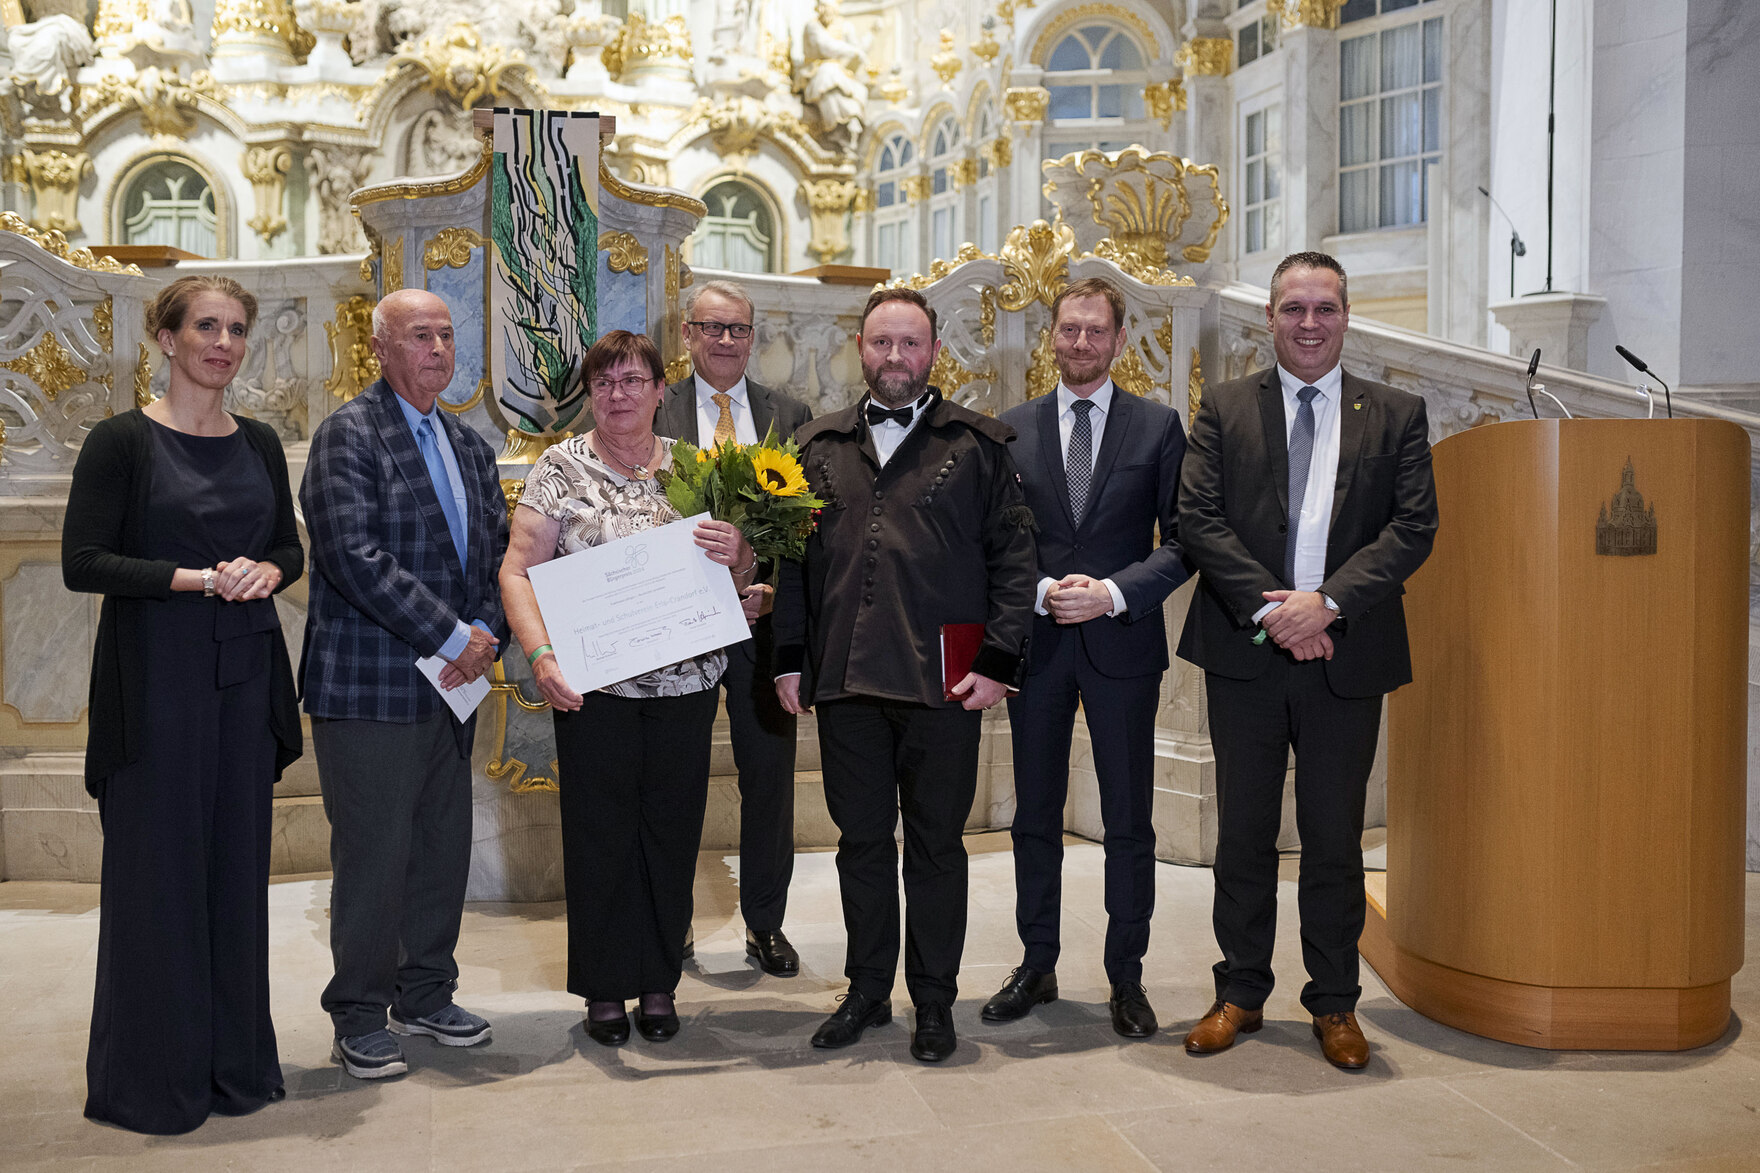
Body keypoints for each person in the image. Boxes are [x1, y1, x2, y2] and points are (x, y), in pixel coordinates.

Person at [1176, 251, 1437, 1070]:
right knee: (1244, 834)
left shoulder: (1396, 412)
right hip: (1247, 652)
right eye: (1294, 308)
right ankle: (1240, 992)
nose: (1310, 323)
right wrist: (1276, 608)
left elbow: (1412, 527)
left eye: (1325, 307)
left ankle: (1333, 1002)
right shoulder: (1221, 407)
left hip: (1344, 654)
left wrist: (1323, 604)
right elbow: (1199, 520)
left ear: (1346, 315)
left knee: (1333, 836)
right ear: (1270, 318)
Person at [64, 274, 303, 1133]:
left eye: (237, 328)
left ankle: (234, 1069)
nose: (223, 343)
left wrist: (270, 570)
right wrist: (200, 578)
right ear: (166, 339)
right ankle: (152, 1082)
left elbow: (285, 544)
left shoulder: (262, 442)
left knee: (236, 878)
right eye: (206, 325)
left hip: (242, 684)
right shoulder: (121, 441)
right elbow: (82, 561)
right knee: (158, 883)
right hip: (154, 685)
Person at [773, 287, 1037, 1063]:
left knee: (935, 848)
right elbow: (793, 565)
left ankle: (932, 999)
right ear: (861, 347)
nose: (896, 357)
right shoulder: (814, 446)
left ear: (933, 352)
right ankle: (865, 991)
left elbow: (1016, 565)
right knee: (860, 845)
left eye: (911, 343)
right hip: (846, 682)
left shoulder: (981, 446)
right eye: (882, 342)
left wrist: (997, 663)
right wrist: (789, 657)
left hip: (943, 687)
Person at [498, 330, 758, 1047]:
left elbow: (736, 575)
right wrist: (541, 655)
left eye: (633, 381)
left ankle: (657, 980)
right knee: (600, 835)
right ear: (592, 393)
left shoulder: (699, 467)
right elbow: (518, 569)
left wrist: (742, 556)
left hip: (688, 687)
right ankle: (606, 987)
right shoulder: (559, 468)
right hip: (594, 691)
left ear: (659, 390)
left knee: (671, 836)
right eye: (605, 383)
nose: (619, 395)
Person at [300, 288, 510, 1080]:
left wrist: (484, 636)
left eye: (447, 335)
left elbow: (493, 554)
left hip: (453, 687)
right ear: (382, 348)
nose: (438, 349)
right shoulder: (347, 434)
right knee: (375, 855)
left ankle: (425, 992)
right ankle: (357, 1010)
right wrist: (456, 636)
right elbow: (353, 557)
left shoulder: (468, 444)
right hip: (370, 685)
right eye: (419, 335)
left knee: (438, 850)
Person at [987, 277, 1189, 1039]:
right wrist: (1041, 590)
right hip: (1036, 647)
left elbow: (1184, 541)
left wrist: (1110, 591)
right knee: (1033, 815)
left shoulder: (1159, 427)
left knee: (1129, 821)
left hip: (1123, 645)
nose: (1079, 342)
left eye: (1094, 331)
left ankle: (1126, 977)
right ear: (1051, 335)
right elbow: (999, 541)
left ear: (1119, 338)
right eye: (1067, 329)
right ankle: (1037, 963)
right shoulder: (1012, 428)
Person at [662, 280, 813, 977]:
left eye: (739, 330)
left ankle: (765, 924)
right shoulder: (653, 409)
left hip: (764, 629)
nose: (726, 341)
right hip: (677, 630)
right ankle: (670, 922)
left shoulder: (792, 414)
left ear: (754, 339)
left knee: (769, 777)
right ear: (686, 335)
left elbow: (809, 529)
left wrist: (772, 590)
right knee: (675, 776)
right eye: (712, 328)